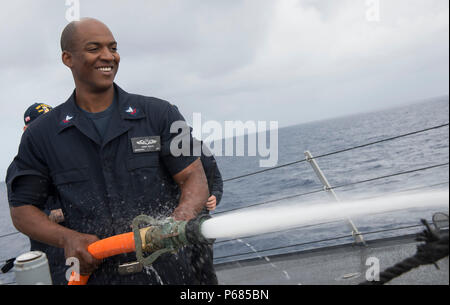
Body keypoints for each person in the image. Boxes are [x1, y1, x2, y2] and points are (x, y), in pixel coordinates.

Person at [6, 18, 209, 285]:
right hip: (95, 276)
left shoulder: (160, 114)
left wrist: (177, 221)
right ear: (68, 58)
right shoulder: (41, 136)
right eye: (94, 48)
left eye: (112, 47)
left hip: (170, 272)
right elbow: (22, 210)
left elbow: (193, 175)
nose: (108, 56)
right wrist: (67, 238)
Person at [2, 103, 66, 284]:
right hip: (54, 260)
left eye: (51, 124)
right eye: (39, 126)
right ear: (25, 130)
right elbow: (27, 217)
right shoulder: (20, 169)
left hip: (87, 255)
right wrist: (68, 212)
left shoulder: (70, 161)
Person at [190, 147, 223, 284]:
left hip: (199, 223)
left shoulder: (199, 148)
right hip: (174, 222)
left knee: (206, 271)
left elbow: (216, 179)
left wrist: (215, 195)